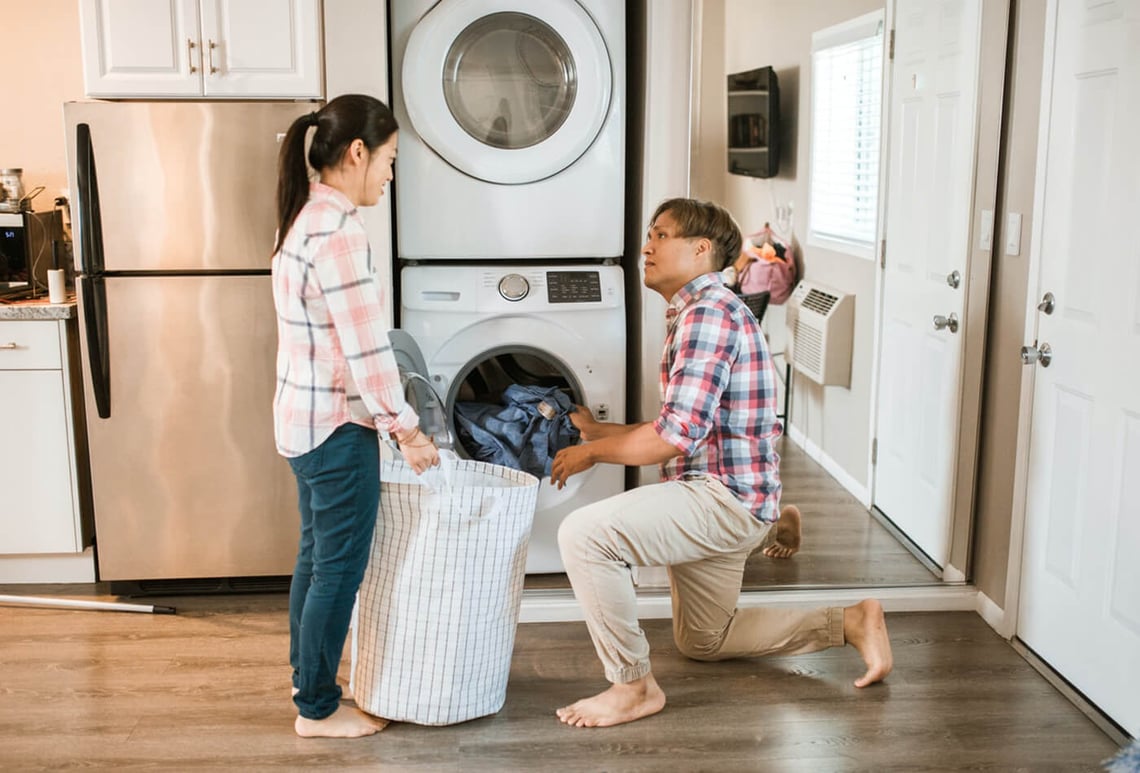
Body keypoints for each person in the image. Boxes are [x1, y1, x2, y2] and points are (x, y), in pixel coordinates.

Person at [550, 197, 892, 728]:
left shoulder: (707, 314)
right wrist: (598, 431)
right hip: (728, 490)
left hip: (719, 496)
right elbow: (684, 427)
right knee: (705, 640)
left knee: (584, 534)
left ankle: (632, 686)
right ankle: (848, 620)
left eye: (660, 235)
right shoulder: (704, 310)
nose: (646, 246)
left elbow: (674, 435)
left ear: (701, 249)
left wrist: (591, 451)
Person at [271, 94, 440, 739]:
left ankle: (306, 686)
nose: (391, 175)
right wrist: (408, 429)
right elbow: (367, 350)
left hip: (301, 421)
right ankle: (316, 708)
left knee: (316, 559)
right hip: (339, 430)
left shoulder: (301, 215)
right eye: (390, 159)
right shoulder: (339, 231)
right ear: (358, 152)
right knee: (336, 567)